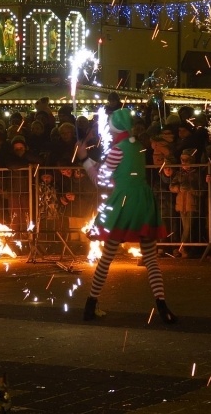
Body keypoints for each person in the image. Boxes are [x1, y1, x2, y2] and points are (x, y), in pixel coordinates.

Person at [77, 108, 177, 324]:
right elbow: (121, 172)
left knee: (107, 257)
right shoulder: (137, 147)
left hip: (123, 204)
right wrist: (94, 162)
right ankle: (163, 307)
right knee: (150, 258)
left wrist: (85, 160)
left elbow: (101, 181)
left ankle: (90, 306)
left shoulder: (116, 149)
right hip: (143, 202)